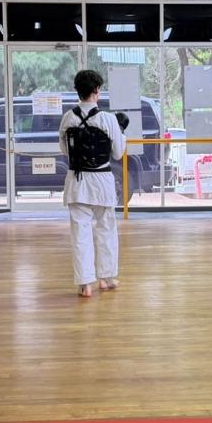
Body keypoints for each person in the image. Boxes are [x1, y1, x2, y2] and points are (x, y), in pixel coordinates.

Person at [58, 69, 127, 298]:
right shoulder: (108, 119)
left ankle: (85, 284)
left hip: (76, 181)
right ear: (97, 90)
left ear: (77, 90)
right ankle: (106, 279)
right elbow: (118, 153)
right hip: (101, 180)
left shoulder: (68, 118)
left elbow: (64, 149)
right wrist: (121, 132)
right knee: (106, 229)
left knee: (80, 233)